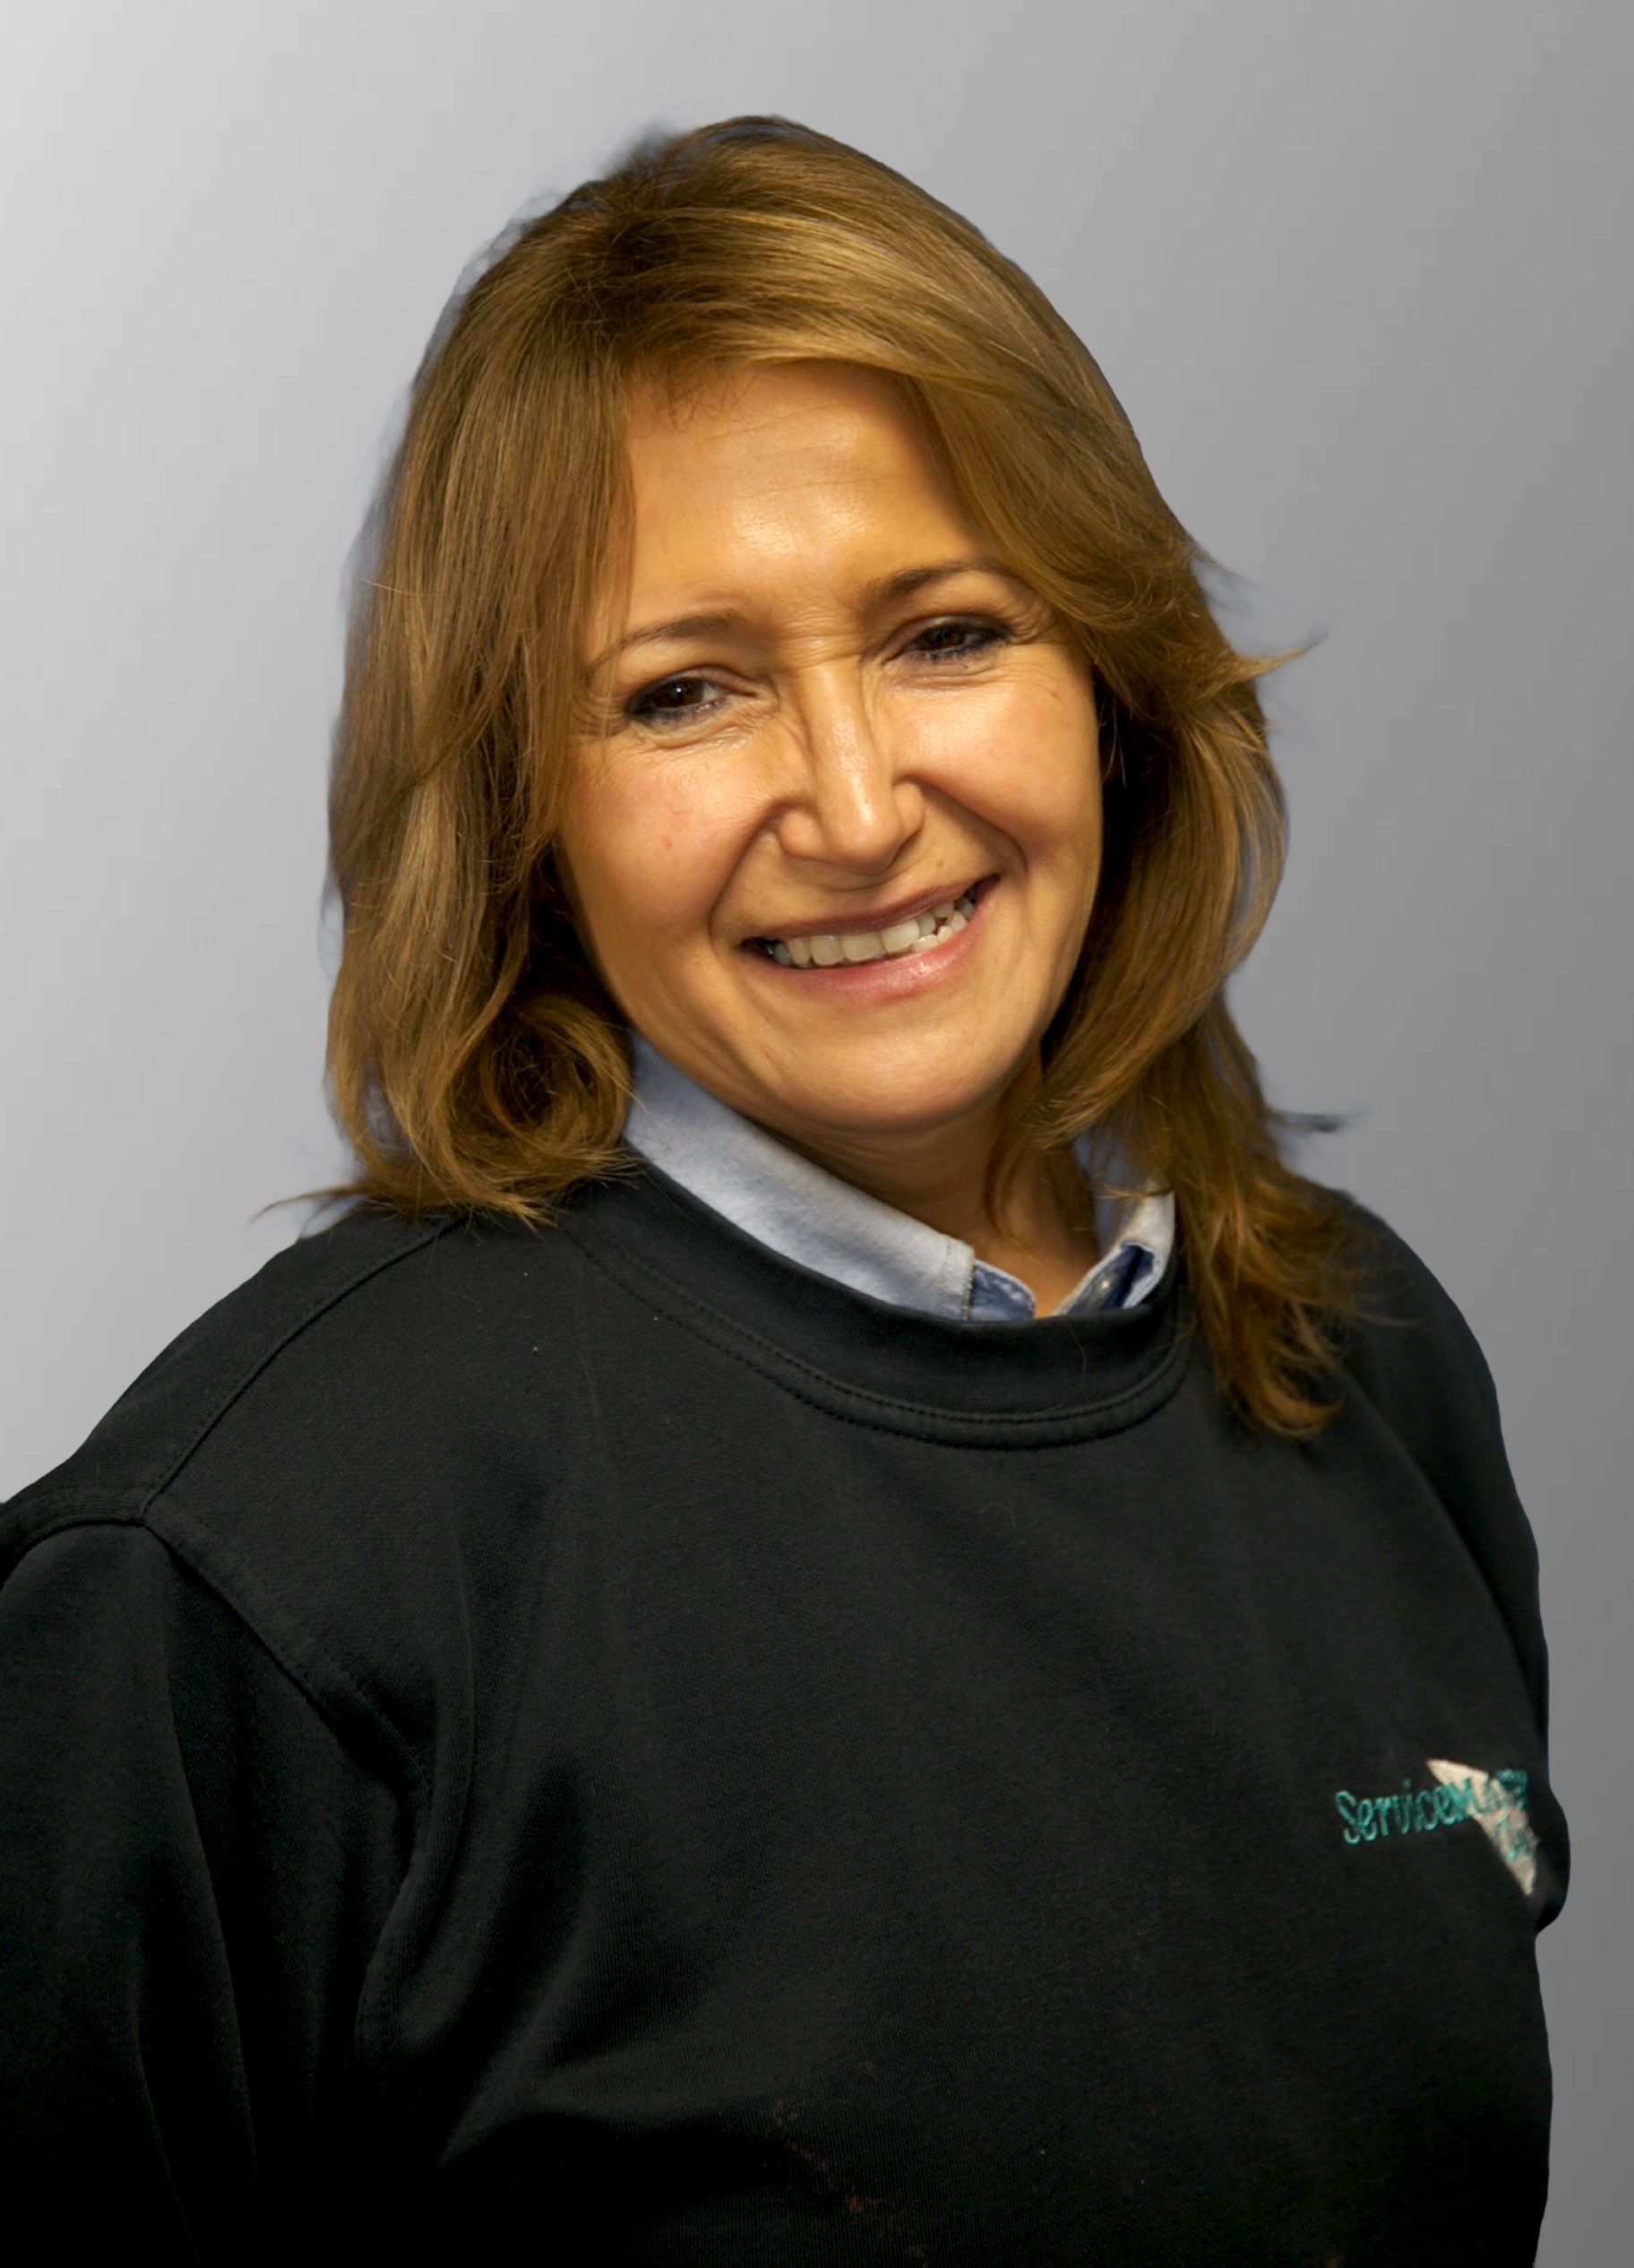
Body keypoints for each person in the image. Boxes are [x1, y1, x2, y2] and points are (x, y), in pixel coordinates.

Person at [0, 116, 1568, 2263]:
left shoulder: (1362, 1361)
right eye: (685, 691)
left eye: (944, 634)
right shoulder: (245, 1581)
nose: (853, 806)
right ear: (514, 807)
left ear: (1111, 686)